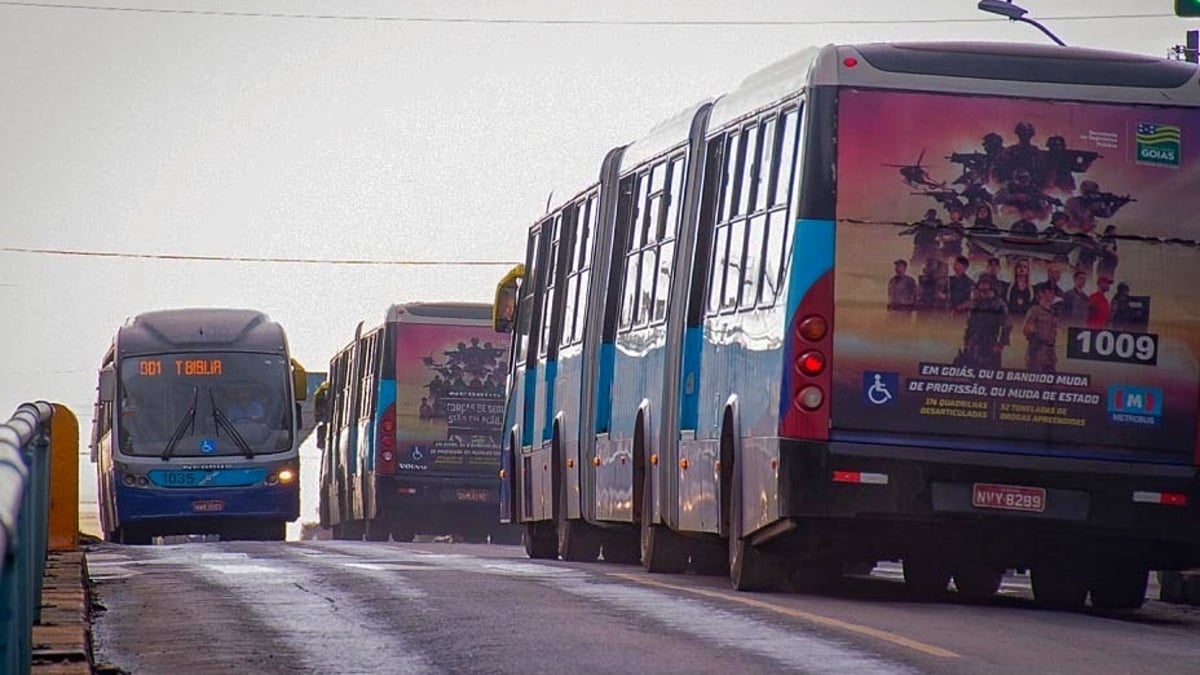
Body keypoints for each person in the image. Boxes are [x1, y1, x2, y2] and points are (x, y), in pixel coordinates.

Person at [1023, 285, 1059, 373]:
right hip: (1036, 352)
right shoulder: (1035, 310)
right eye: (1049, 292)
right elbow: (1026, 329)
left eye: (1053, 293)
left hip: (1050, 354)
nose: (1052, 295)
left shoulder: (1053, 313)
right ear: (1041, 294)